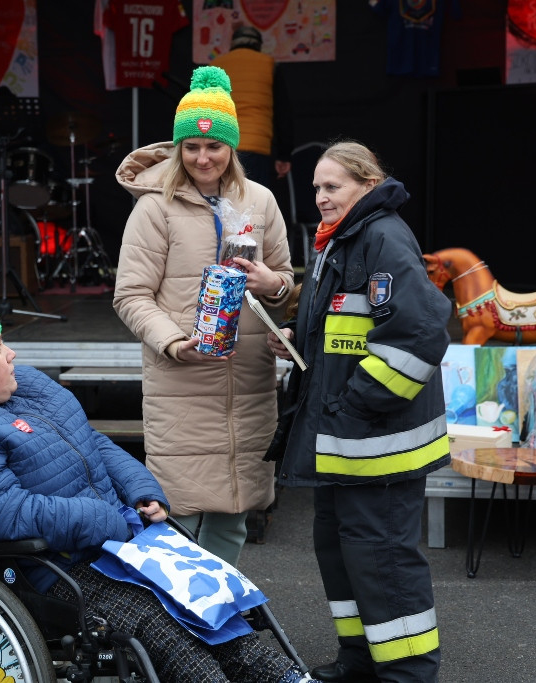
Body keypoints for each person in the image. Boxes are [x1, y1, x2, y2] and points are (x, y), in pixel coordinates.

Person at [0, 301, 312, 683]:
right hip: (47, 564)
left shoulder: (27, 387)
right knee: (158, 623)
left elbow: (91, 442)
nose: (12, 354)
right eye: (0, 347)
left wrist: (140, 488)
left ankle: (288, 677)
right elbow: (1, 513)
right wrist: (102, 520)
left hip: (113, 540)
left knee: (208, 603)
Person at [266, 140, 450, 683]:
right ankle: (361, 661)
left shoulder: (382, 236)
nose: (321, 197)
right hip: (345, 441)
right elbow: (346, 327)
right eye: (317, 187)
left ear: (368, 184)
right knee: (342, 555)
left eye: (333, 186)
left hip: (376, 444)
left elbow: (417, 334)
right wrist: (296, 338)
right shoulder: (339, 239)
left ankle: (408, 672)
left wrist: (353, 409)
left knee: (383, 563)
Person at [112, 65, 294, 567]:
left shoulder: (260, 201)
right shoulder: (155, 209)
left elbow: (285, 279)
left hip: (248, 381)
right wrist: (173, 341)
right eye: (191, 146)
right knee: (178, 513)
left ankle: (219, 609)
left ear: (232, 147)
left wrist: (271, 283)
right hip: (183, 380)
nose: (203, 157)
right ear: (178, 149)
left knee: (235, 513)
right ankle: (178, 622)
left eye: (214, 146)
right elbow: (130, 296)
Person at [210, 25, 294, 186]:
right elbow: (283, 114)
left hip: (223, 144)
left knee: (222, 202)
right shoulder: (269, 65)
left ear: (233, 43)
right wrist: (284, 155)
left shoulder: (216, 65)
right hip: (257, 147)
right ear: (258, 45)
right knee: (254, 204)